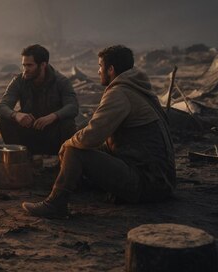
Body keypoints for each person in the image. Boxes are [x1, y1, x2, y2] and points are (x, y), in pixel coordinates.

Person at [22, 45, 176, 218]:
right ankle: (77, 185)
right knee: (86, 146)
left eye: (100, 66)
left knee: (75, 150)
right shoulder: (139, 89)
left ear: (110, 69)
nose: (98, 71)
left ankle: (55, 204)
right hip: (162, 180)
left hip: (148, 184)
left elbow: (91, 137)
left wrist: (67, 144)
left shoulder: (120, 93)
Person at [0, 44, 78, 158]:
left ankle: (64, 162)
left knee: (67, 123)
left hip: (53, 134)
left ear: (43, 65)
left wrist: (53, 116)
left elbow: (73, 107)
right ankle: (22, 160)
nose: (25, 70)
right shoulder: (19, 81)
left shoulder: (61, 81)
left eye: (30, 65)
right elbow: (1, 107)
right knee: (5, 121)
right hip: (29, 131)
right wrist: (16, 115)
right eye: (24, 65)